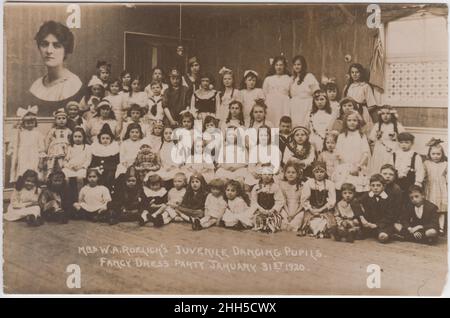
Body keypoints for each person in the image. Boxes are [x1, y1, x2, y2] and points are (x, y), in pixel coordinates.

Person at [28, 21, 83, 116]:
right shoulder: (36, 86)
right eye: (44, 44)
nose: (49, 51)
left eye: (57, 46)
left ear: (66, 51)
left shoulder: (73, 84)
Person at [7, 105, 46, 182]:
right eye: (27, 122)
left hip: (34, 156)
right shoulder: (20, 134)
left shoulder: (38, 134)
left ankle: (34, 187)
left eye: (32, 122)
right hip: (23, 156)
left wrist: (41, 160)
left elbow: (41, 149)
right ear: (23, 123)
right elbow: (14, 144)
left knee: (33, 171)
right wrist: (12, 152)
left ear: (35, 123)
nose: (30, 124)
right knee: (22, 171)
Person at [298, 161, 336, 238]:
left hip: (325, 209)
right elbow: (304, 200)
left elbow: (332, 200)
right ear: (313, 173)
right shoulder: (309, 183)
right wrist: (311, 210)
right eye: (317, 172)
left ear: (325, 172)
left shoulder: (330, 184)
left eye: (322, 171)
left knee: (326, 223)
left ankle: (322, 232)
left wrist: (321, 210)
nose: (319, 174)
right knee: (311, 223)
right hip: (312, 209)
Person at [359, 174, 396, 243]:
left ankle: (383, 234)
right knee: (358, 232)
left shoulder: (389, 198)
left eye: (378, 185)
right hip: (369, 223)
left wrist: (377, 225)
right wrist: (362, 218)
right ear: (370, 186)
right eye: (373, 185)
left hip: (382, 224)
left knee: (383, 236)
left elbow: (390, 216)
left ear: (384, 186)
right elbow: (356, 203)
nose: (375, 188)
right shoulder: (367, 195)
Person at [368, 105, 404, 175]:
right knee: (378, 167)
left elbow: (404, 138)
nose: (385, 116)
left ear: (392, 115)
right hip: (379, 150)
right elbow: (371, 139)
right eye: (383, 114)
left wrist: (396, 137)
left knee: (390, 166)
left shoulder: (397, 126)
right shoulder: (377, 125)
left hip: (392, 150)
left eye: (388, 113)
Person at [423, 138, 447, 235]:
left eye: (438, 154)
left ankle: (441, 227)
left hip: (441, 189)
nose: (436, 156)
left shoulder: (445, 164)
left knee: (441, 209)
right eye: (433, 154)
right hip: (430, 188)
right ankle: (430, 226)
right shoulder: (426, 163)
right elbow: (422, 174)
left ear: (442, 154)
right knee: (430, 208)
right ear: (429, 154)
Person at [288, 55, 320, 126]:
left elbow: (317, 92)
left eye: (299, 64)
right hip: (294, 107)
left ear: (303, 65)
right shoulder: (292, 79)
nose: (296, 66)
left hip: (307, 105)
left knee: (305, 124)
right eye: (295, 64)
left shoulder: (309, 76)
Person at [263, 56, 291, 125]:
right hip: (271, 104)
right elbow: (264, 93)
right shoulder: (268, 79)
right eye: (277, 65)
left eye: (281, 65)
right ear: (274, 66)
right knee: (271, 122)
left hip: (283, 104)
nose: (279, 67)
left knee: (282, 122)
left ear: (284, 66)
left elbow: (291, 93)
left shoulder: (289, 79)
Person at [44, 108, 72, 178]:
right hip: (54, 149)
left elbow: (71, 141)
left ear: (66, 120)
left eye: (63, 118)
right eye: (59, 118)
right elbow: (47, 140)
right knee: (52, 162)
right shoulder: (53, 130)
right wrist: (46, 151)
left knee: (63, 163)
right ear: (55, 120)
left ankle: (64, 175)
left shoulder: (68, 131)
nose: (61, 120)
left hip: (65, 149)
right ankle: (50, 175)